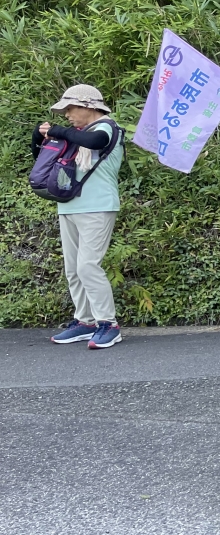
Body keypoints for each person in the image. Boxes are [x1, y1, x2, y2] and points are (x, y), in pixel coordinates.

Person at [40, 85, 125, 349]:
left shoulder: (107, 128)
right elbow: (46, 162)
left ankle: (108, 324)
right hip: (69, 206)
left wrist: (58, 132)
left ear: (88, 106)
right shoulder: (76, 135)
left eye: (70, 108)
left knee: (88, 266)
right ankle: (84, 321)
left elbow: (96, 143)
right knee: (73, 269)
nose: (66, 114)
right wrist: (39, 138)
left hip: (98, 205)